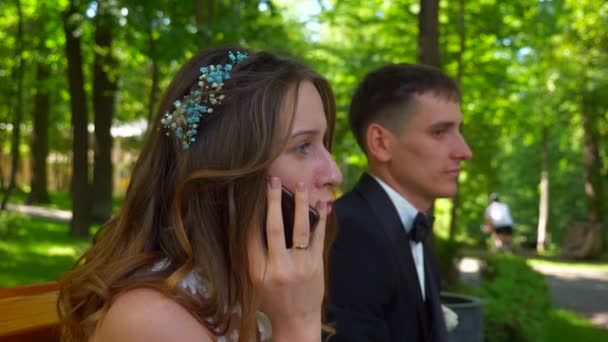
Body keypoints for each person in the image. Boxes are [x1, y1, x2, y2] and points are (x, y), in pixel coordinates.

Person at [58, 46, 343, 341]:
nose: (334, 174)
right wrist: (298, 325)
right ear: (230, 166)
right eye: (302, 146)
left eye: (324, 144)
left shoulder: (249, 287)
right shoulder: (152, 320)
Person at [327, 63, 472, 342]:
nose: (464, 151)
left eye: (459, 130)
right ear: (381, 143)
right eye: (440, 132)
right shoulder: (349, 234)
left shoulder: (410, 227)